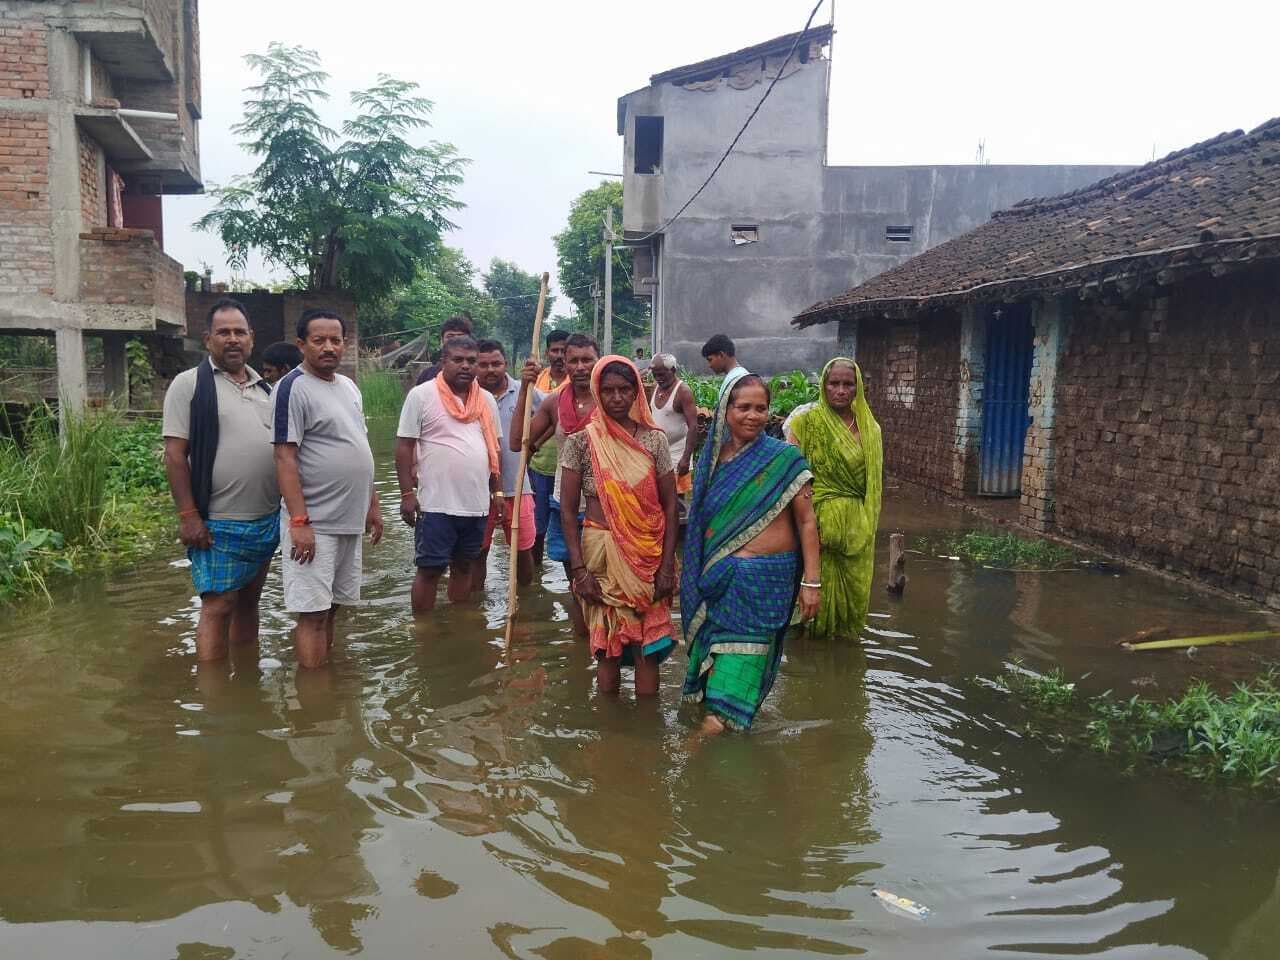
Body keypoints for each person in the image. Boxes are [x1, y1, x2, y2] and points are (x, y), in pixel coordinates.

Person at [681, 373, 821, 733]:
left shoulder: (784, 460)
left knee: (740, 673)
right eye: (743, 407)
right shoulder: (711, 464)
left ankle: (697, 747)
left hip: (767, 585)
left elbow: (807, 524)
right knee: (715, 669)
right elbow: (700, 527)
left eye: (761, 408)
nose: (753, 415)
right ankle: (713, 743)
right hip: (720, 584)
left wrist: (812, 583)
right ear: (726, 410)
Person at [162, 297, 279, 663]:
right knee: (218, 605)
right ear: (208, 339)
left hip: (265, 520)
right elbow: (175, 454)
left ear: (251, 338)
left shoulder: (267, 391)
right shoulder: (190, 385)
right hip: (217, 521)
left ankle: (245, 683)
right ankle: (214, 700)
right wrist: (188, 515)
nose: (232, 339)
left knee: (248, 602)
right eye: (223, 332)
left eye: (239, 332)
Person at [559, 356, 678, 695]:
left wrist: (668, 565)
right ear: (597, 391)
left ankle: (646, 734)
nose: (616, 397)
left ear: (636, 391)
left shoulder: (654, 440)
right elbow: (568, 511)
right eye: (608, 390)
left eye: (624, 389)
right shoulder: (581, 441)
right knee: (608, 648)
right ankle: (608, 731)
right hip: (601, 550)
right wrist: (578, 571)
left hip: (647, 551)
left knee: (647, 648)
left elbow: (670, 506)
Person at [273, 308, 383, 668]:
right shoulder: (292, 388)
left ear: (345, 344)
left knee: (333, 608)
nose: (329, 347)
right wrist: (300, 521)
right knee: (312, 614)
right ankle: (313, 702)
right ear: (301, 344)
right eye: (319, 340)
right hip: (315, 523)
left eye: (336, 340)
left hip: (349, 519)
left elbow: (360, 448)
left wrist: (373, 505)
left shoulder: (348, 387)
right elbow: (285, 457)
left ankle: (325, 686)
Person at [395, 335, 502, 613]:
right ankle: (424, 632)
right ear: (443, 362)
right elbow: (404, 447)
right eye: (458, 360)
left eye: (471, 361)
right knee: (430, 570)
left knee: (465, 565)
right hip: (436, 504)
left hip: (476, 504)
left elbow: (495, 451)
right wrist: (407, 494)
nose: (465, 366)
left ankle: (458, 626)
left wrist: (498, 492)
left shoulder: (487, 400)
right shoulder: (421, 395)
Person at [787, 358, 883, 641]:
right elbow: (792, 477)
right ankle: (808, 674)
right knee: (808, 609)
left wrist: (866, 528)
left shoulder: (871, 430)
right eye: (834, 383)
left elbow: (874, 488)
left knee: (848, 617)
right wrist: (808, 524)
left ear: (858, 388)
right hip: (814, 530)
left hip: (856, 534)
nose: (841, 390)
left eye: (848, 384)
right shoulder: (805, 423)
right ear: (823, 386)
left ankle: (843, 671)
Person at [511, 332, 600, 637]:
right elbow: (517, 442)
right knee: (577, 583)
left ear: (597, 361)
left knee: (607, 584)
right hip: (566, 506)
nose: (579, 366)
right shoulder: (554, 403)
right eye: (572, 360)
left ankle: (604, 652)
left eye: (586, 359)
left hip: (607, 506)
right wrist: (525, 387)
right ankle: (581, 648)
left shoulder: (614, 397)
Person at [473, 339, 541, 591]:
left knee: (523, 550)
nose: (490, 370)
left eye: (496, 364)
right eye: (484, 364)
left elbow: (553, 413)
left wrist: (536, 444)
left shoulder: (525, 389)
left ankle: (525, 601)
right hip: (479, 491)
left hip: (517, 486)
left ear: (506, 364)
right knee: (478, 552)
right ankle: (475, 607)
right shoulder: (469, 394)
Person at [528, 329, 569, 562]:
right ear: (547, 352)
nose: (560, 355)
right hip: (540, 465)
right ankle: (535, 577)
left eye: (565, 350)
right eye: (555, 350)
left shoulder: (579, 381)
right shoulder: (538, 380)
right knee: (538, 525)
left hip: (568, 467)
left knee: (569, 523)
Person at [648, 353, 698, 496]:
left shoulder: (683, 391)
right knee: (658, 496)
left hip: (677, 453)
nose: (659, 378)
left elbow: (693, 427)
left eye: (662, 374)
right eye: (655, 375)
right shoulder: (655, 388)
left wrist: (686, 458)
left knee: (675, 497)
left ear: (673, 371)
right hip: (657, 453)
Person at [415, 314, 473, 385]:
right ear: (441, 341)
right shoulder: (427, 375)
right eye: (450, 336)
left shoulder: (479, 374)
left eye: (460, 337)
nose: (455, 341)